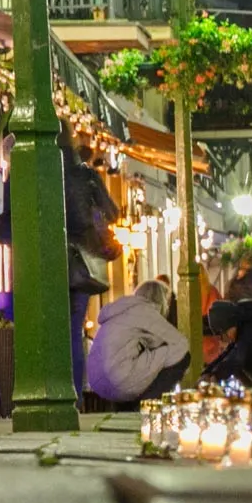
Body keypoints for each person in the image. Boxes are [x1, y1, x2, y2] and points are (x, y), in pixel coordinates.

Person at [63, 132, 120, 400]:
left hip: (45, 261)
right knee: (75, 330)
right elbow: (112, 212)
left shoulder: (39, 171)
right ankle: (73, 395)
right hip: (81, 263)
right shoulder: (85, 176)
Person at [86, 279, 187, 404]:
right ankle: (151, 402)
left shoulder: (123, 311)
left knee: (148, 354)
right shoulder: (146, 311)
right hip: (119, 380)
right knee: (181, 355)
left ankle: (128, 406)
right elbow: (181, 344)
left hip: (97, 382)